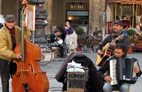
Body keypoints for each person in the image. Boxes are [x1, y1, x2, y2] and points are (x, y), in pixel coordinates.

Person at [0, 15, 31, 92]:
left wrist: (25, 28)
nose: (10, 24)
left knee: (17, 78)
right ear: (5, 22)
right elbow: (2, 49)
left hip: (16, 58)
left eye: (12, 22)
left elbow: (26, 36)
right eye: (8, 22)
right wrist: (14, 55)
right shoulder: (1, 33)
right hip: (5, 59)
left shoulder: (17, 29)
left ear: (15, 22)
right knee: (5, 80)